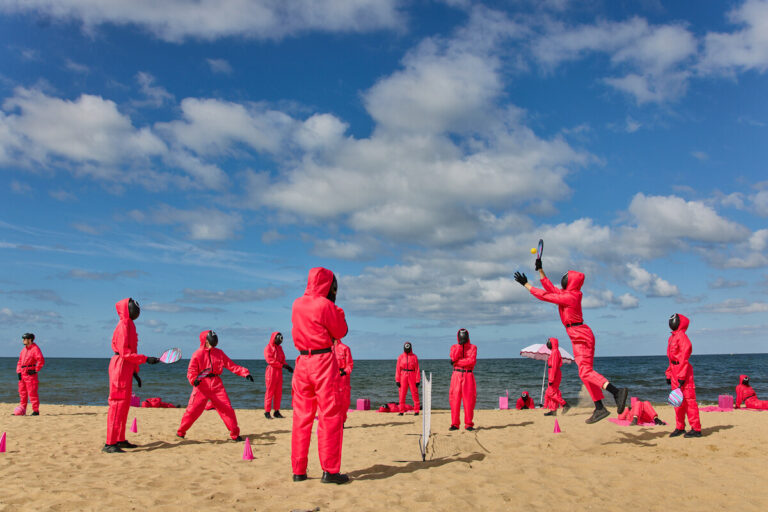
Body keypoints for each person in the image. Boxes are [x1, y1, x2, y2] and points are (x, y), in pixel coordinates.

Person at [514, 260, 629, 424]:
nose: (563, 278)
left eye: (566, 277)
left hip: (581, 335)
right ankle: (600, 408)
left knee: (585, 372)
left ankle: (616, 392)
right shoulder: (567, 294)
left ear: (571, 281)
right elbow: (549, 288)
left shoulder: (569, 296)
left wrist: (526, 285)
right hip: (577, 335)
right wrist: (540, 270)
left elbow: (544, 295)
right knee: (585, 374)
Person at [290, 267, 349, 485]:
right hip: (323, 361)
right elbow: (341, 331)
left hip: (302, 362)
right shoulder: (326, 305)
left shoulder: (297, 304)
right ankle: (330, 471)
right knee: (330, 416)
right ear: (330, 285)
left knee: (301, 418)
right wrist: (336, 307)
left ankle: (299, 470)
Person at [105, 298, 160, 453]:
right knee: (117, 405)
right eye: (134, 308)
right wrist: (145, 359)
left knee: (124, 406)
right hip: (120, 365)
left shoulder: (130, 324)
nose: (137, 311)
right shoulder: (123, 324)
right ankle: (110, 442)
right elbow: (125, 352)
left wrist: (135, 372)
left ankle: (120, 439)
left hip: (127, 366)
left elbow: (131, 352)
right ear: (127, 309)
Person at [177, 330, 253, 441]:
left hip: (217, 384)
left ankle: (235, 434)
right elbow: (191, 371)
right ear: (205, 341)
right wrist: (194, 380)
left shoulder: (219, 353)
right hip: (202, 385)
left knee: (227, 408)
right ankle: (181, 432)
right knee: (193, 410)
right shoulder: (197, 354)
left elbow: (231, 365)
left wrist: (245, 373)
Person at [666, 314, 702, 438]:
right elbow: (671, 358)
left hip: (684, 371)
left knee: (689, 400)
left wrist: (681, 375)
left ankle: (696, 429)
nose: (671, 322)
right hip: (675, 371)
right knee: (677, 401)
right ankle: (680, 427)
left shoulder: (682, 337)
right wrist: (669, 373)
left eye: (673, 320)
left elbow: (684, 356)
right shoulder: (672, 338)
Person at [449, 328, 477, 431]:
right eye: (461, 337)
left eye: (464, 337)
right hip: (456, 375)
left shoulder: (473, 347)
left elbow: (472, 361)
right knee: (454, 400)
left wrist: (457, 362)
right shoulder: (454, 347)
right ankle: (455, 424)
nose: (463, 339)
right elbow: (453, 358)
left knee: (469, 400)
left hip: (468, 375)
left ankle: (469, 424)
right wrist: (460, 346)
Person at [264, 331, 293, 419]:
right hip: (271, 371)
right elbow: (270, 360)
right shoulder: (268, 347)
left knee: (278, 392)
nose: (280, 340)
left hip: (279, 372)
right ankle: (267, 412)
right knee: (270, 392)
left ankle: (276, 411)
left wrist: (287, 366)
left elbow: (282, 359)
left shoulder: (280, 348)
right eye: (278, 338)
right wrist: (282, 365)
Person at [15, 333, 45, 416]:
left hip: (30, 374)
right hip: (23, 373)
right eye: (23, 338)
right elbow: (20, 362)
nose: (23, 340)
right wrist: (19, 372)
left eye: (25, 338)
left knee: (32, 393)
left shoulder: (35, 349)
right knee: (22, 392)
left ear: (30, 339)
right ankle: (22, 410)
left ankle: (36, 411)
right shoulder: (24, 350)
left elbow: (41, 360)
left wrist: (35, 370)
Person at [543, 337, 569, 416]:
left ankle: (565, 404)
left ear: (552, 343)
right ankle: (553, 410)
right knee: (553, 391)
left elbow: (554, 366)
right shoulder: (555, 352)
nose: (548, 344)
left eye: (549, 342)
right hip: (554, 373)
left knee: (550, 392)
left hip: (554, 373)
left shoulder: (555, 352)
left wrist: (551, 379)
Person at [396, 342, 420, 416]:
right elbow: (397, 369)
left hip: (412, 374)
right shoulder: (400, 357)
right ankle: (401, 411)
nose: (407, 350)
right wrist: (397, 380)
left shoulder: (414, 357)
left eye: (408, 348)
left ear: (410, 348)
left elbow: (417, 369)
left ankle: (416, 410)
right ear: (404, 348)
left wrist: (417, 380)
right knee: (402, 394)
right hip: (403, 375)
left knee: (414, 393)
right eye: (406, 348)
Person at [334, 338, 354, 423]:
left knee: (344, 400)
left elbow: (350, 364)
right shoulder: (327, 348)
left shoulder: (345, 348)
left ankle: (342, 420)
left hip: (343, 377)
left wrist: (344, 372)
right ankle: (334, 421)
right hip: (330, 376)